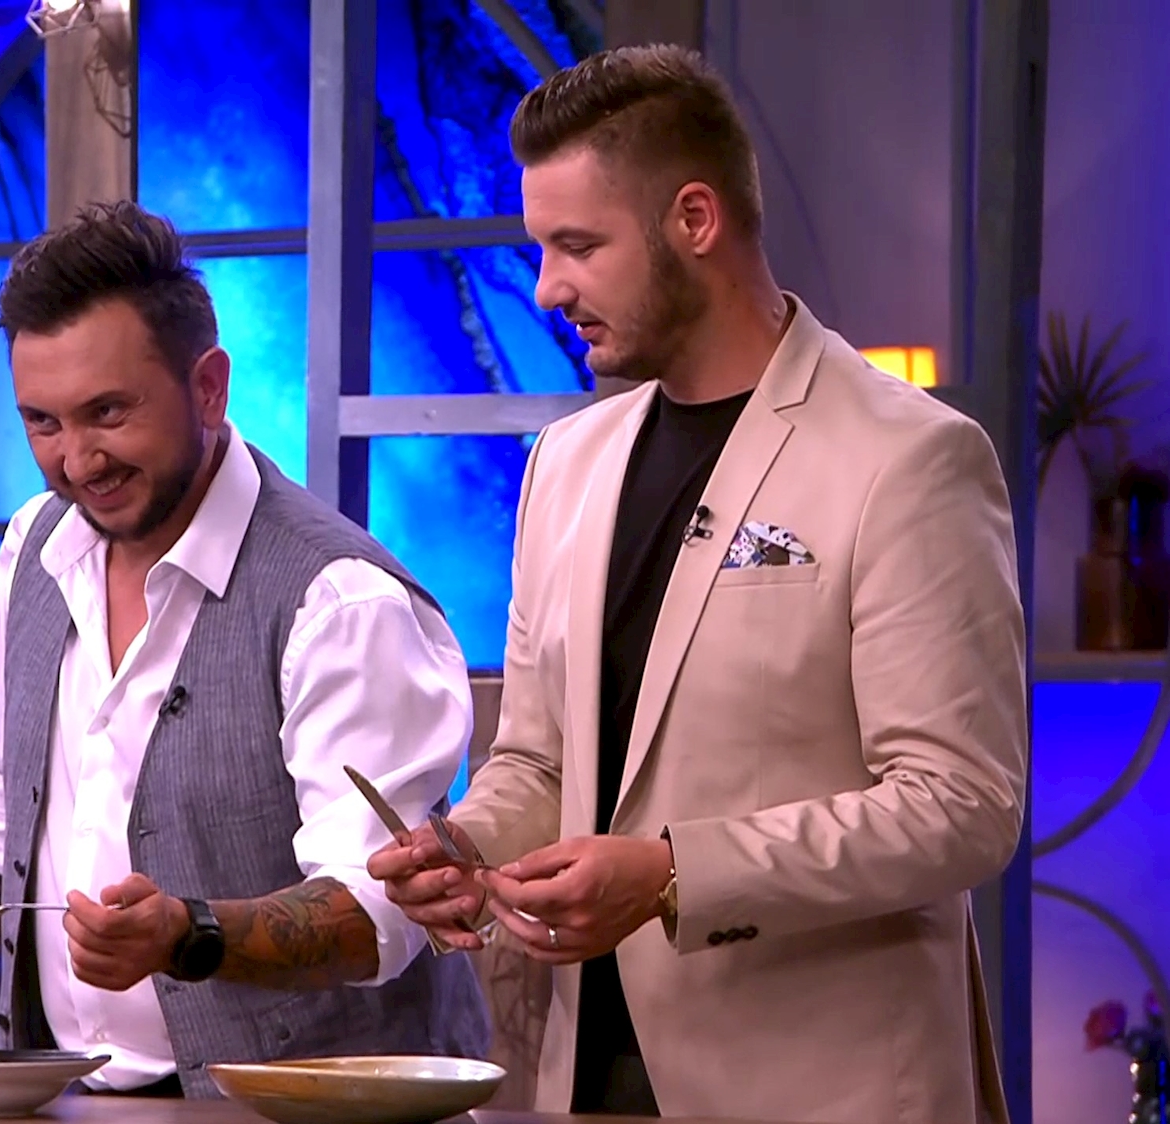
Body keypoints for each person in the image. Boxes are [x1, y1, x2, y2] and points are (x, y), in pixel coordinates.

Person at [367, 44, 1026, 1123]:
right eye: (539, 248)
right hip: (589, 1077)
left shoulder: (908, 458)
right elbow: (538, 758)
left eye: (578, 246)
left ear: (694, 219)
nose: (546, 288)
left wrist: (674, 874)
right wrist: (470, 844)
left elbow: (960, 806)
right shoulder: (566, 462)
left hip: (823, 1093)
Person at [0, 200, 489, 1097]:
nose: (78, 460)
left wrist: (189, 934)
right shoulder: (35, 548)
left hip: (312, 1116)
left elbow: (380, 910)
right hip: (72, 1101)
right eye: (43, 423)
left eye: (108, 412)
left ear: (208, 387)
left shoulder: (340, 600)